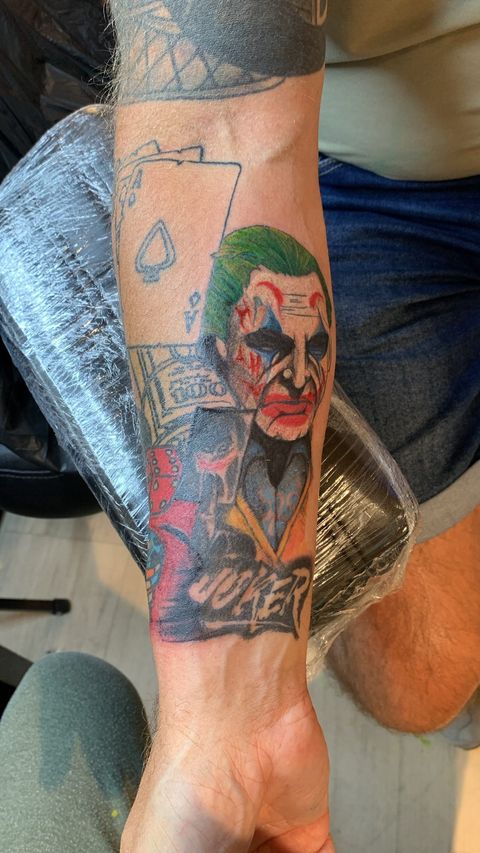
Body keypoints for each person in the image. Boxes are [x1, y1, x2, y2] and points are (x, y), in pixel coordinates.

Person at [108, 0, 480, 849]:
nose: (301, 375)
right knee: (419, 674)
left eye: (308, 351)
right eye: (275, 347)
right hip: (374, 176)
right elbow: (223, 121)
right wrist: (233, 718)